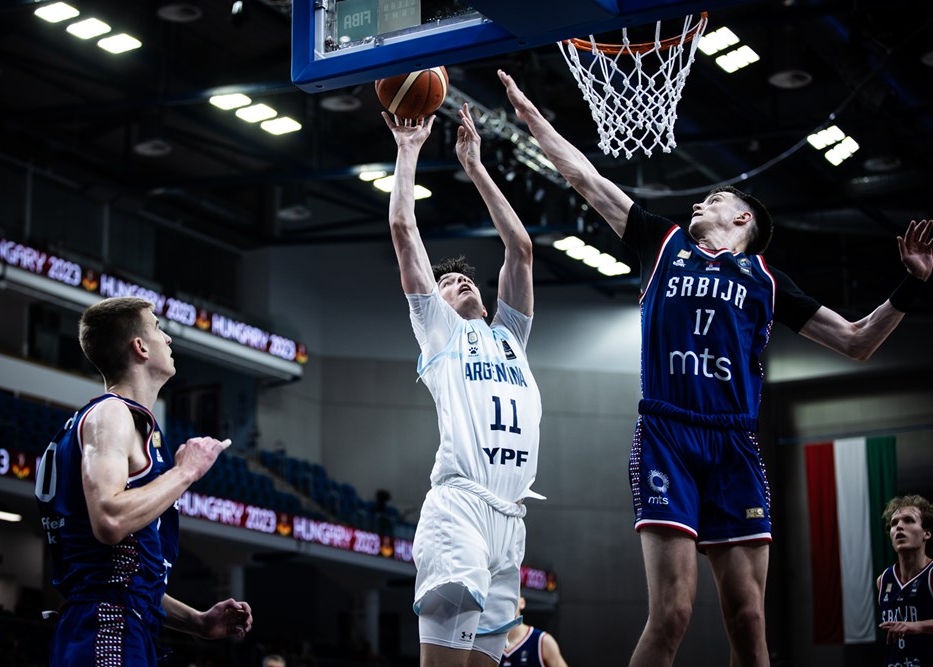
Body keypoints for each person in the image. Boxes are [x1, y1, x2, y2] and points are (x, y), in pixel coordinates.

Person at [497, 69, 933, 667]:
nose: (702, 200)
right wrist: (530, 114)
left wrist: (911, 285)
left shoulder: (768, 282)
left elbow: (857, 341)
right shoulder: (663, 243)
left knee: (749, 619)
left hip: (733, 443)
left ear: (743, 221)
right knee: (673, 612)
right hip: (667, 434)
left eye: (718, 198)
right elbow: (584, 177)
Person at [383, 102, 544, 667]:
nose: (457, 283)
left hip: (510, 520)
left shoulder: (510, 337)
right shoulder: (440, 334)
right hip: (460, 511)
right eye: (446, 283)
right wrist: (410, 152)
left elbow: (520, 249)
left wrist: (475, 166)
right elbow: (404, 231)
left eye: (463, 278)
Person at [35, 296, 253, 665]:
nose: (167, 339)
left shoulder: (121, 420)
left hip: (117, 621)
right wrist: (185, 472)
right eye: (157, 328)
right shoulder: (111, 414)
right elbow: (110, 520)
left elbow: (121, 576)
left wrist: (197, 622)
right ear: (139, 347)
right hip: (106, 626)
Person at [878, 495, 933, 665]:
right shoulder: (883, 580)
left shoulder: (931, 574)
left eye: (908, 520)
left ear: (926, 533)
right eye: (894, 523)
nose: (899, 526)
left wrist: (917, 626)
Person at [500, 597, 569, 667]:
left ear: (522, 602)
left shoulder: (543, 641)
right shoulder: (489, 644)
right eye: (502, 599)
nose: (507, 603)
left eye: (512, 597)